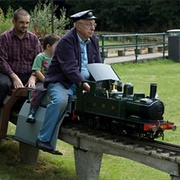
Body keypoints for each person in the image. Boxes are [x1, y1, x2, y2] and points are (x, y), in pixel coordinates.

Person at [36, 9, 102, 152]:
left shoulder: (94, 40)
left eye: (93, 24)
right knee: (60, 101)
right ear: (78, 26)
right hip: (62, 81)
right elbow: (70, 68)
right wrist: (85, 85)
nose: (92, 28)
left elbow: (98, 63)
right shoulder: (66, 41)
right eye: (88, 25)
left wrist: (103, 82)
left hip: (85, 83)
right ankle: (43, 138)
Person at [0, 8, 42, 107]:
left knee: (43, 87)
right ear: (13, 22)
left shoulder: (34, 39)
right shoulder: (4, 38)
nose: (25, 26)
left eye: (27, 23)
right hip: (8, 74)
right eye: (21, 22)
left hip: (28, 73)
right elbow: (1, 60)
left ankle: (28, 114)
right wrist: (14, 77)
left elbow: (39, 60)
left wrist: (33, 76)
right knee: (2, 85)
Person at [26, 34, 60, 123]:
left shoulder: (56, 58)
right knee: (40, 90)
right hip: (42, 81)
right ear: (48, 46)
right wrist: (45, 80)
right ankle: (32, 110)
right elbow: (36, 71)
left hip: (53, 81)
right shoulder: (40, 57)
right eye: (56, 46)